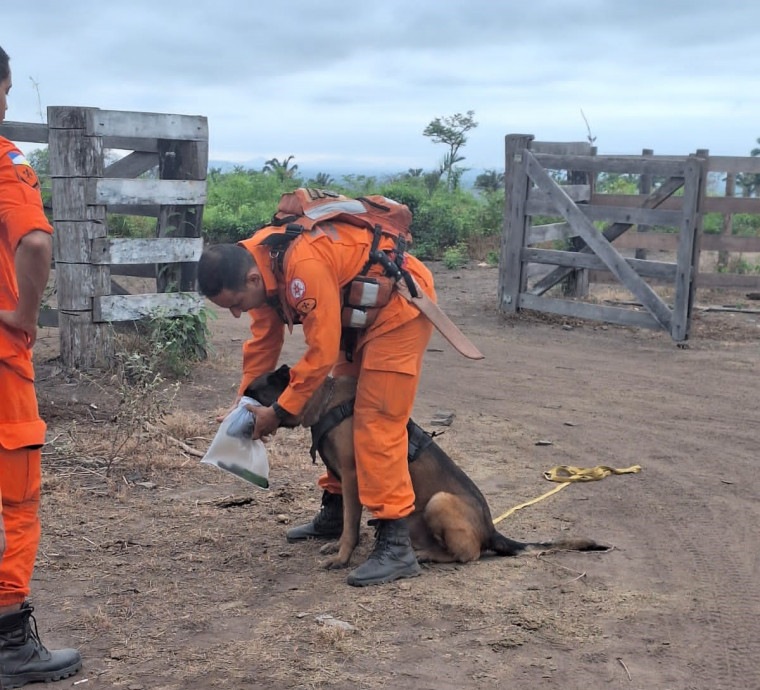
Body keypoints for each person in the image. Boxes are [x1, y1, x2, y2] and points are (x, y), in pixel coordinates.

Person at [197, 205, 436, 587]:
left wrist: (279, 411)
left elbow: (321, 354)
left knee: (376, 421)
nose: (238, 314)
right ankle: (336, 510)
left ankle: (396, 544)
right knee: (335, 414)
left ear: (252, 279)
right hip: (355, 317)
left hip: (398, 310)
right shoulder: (259, 263)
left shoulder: (300, 267)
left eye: (237, 304)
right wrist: (246, 403)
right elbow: (262, 343)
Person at [0, 45, 82, 687]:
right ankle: (8, 642)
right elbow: (33, 240)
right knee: (16, 498)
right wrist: (26, 317)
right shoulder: (6, 166)